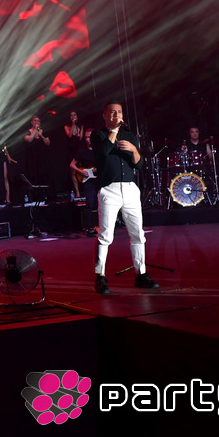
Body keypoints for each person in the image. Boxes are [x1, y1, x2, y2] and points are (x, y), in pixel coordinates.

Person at [91, 103, 158, 294]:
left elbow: (138, 164)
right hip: (109, 189)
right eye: (112, 112)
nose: (117, 114)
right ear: (105, 115)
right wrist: (113, 130)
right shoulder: (98, 135)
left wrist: (134, 150)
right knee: (105, 235)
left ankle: (141, 274)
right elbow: (103, 152)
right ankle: (100, 276)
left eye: (119, 112)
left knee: (138, 234)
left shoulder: (129, 136)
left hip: (130, 188)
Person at [70, 129, 99, 235]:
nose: (87, 139)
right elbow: (72, 165)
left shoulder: (100, 150)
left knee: (102, 203)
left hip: (99, 180)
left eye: (89, 137)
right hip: (89, 181)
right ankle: (88, 227)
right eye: (86, 137)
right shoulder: (82, 152)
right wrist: (81, 172)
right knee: (89, 204)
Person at [22, 115, 51, 188]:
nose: (36, 122)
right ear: (32, 122)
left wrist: (41, 136)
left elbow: (47, 143)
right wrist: (35, 130)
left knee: (42, 173)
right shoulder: (27, 131)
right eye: (35, 120)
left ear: (40, 123)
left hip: (41, 157)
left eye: (38, 121)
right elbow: (29, 140)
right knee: (33, 174)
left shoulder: (43, 131)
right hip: (31, 157)